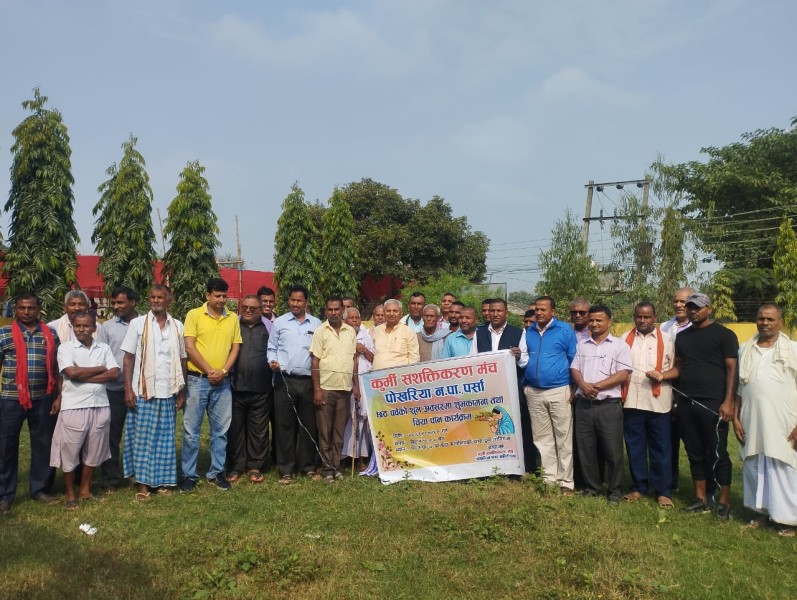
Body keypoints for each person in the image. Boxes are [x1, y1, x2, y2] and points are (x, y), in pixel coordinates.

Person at [649, 293, 738, 520]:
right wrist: (662, 375)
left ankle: (724, 501)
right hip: (687, 402)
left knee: (717, 452)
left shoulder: (725, 335)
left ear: (709, 308)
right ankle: (700, 498)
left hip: (714, 403)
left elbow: (732, 370)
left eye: (697, 307)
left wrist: (729, 402)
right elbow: (679, 368)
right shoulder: (683, 337)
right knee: (694, 452)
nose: (692, 311)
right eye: (690, 308)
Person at [735, 304, 797, 536]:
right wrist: (736, 419)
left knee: (783, 466)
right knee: (755, 465)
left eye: (770, 319)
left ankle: (787, 519)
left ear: (780, 322)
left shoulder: (793, 349)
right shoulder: (746, 349)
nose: (765, 323)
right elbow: (740, 388)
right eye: (761, 318)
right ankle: (762, 511)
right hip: (751, 419)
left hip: (784, 421)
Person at [121, 285, 187, 500]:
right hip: (143, 391)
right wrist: (128, 389)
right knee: (143, 439)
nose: (156, 301)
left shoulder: (177, 326)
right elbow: (128, 357)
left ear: (169, 300)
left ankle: (160, 482)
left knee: (165, 439)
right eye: (152, 297)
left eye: (160, 297)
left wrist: (181, 391)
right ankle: (142, 484)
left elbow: (183, 360)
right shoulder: (138, 324)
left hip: (168, 391)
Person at [51, 312, 119, 509]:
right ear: (73, 328)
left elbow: (114, 373)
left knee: (94, 450)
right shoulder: (66, 348)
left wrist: (84, 375)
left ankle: (85, 490)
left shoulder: (103, 348)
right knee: (70, 451)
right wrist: (100, 368)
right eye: (77, 326)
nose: (81, 329)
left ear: (94, 328)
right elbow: (71, 373)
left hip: (100, 405)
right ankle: (70, 494)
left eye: (86, 326)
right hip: (74, 405)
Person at [0, 292, 60, 515]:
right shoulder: (4, 334)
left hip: (44, 398)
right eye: (22, 308)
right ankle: (5, 496)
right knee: (5, 448)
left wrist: (58, 395)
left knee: (44, 445)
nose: (26, 312)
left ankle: (40, 490)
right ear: (15, 309)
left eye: (31, 308)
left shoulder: (50, 334)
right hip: (10, 400)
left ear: (38, 309)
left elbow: (56, 367)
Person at [181, 278, 242, 492]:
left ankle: (216, 472)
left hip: (223, 383)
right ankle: (189, 475)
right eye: (217, 296)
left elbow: (235, 347)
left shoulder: (232, 318)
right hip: (198, 380)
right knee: (191, 431)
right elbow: (189, 347)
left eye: (225, 296)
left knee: (221, 431)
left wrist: (223, 371)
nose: (222, 300)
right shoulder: (194, 315)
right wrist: (209, 371)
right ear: (207, 295)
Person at [570, 305, 631, 503]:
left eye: (599, 320)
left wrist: (595, 386)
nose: (594, 324)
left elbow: (623, 374)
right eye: (591, 320)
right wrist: (582, 385)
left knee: (612, 451)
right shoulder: (582, 345)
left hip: (608, 406)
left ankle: (615, 491)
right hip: (584, 406)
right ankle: (592, 487)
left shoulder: (619, 346)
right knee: (586, 449)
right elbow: (575, 368)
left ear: (609, 322)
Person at [621, 302, 675, 508]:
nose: (642, 321)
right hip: (631, 402)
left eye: (647, 317)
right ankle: (638, 487)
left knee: (660, 448)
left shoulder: (668, 340)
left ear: (655, 317)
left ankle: (663, 491)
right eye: (639, 317)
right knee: (635, 447)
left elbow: (677, 368)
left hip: (658, 403)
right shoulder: (624, 339)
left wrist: (662, 375)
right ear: (634, 317)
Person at [267, 285, 322, 484]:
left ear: (306, 302)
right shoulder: (280, 323)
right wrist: (272, 361)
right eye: (292, 300)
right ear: (288, 301)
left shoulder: (316, 324)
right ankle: (286, 469)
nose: (295, 304)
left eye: (299, 300)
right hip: (284, 380)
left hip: (308, 382)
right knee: (284, 425)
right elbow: (271, 347)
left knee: (308, 426)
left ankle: (307, 466)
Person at [523, 296, 578, 495]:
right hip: (534, 391)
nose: (539, 313)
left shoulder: (564, 330)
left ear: (553, 311)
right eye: (537, 309)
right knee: (542, 439)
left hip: (559, 389)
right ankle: (549, 479)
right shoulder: (528, 331)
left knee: (563, 437)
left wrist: (574, 387)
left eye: (543, 309)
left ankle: (566, 482)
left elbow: (574, 360)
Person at [478, 298, 537, 474]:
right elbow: (473, 359)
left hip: (512, 391)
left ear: (506, 313)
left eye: (499, 311)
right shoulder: (479, 334)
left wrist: (518, 356)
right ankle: (493, 468)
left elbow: (525, 361)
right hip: (489, 392)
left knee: (519, 430)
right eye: (492, 311)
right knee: (492, 431)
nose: (495, 314)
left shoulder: (519, 333)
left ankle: (526, 468)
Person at [310, 297, 359, 482]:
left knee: (339, 432)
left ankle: (336, 466)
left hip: (345, 388)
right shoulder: (320, 331)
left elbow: (354, 359)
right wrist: (317, 390)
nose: (333, 312)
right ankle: (327, 468)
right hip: (326, 388)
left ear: (342, 311)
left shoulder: (350, 332)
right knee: (325, 431)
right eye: (330, 309)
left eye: (337, 309)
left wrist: (356, 386)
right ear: (325, 311)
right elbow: (315, 362)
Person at [227, 295, 273, 484]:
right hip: (235, 387)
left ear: (260, 310)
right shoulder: (233, 326)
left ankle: (255, 466)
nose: (247, 311)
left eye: (252, 309)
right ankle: (237, 466)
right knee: (236, 429)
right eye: (244, 307)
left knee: (259, 430)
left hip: (261, 388)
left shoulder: (269, 328)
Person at [96, 286, 138, 492]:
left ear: (133, 302)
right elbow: (101, 355)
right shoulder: (107, 327)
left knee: (139, 435)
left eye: (120, 302)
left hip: (140, 389)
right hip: (113, 389)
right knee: (111, 436)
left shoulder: (145, 324)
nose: (116, 307)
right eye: (114, 303)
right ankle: (110, 479)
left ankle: (137, 474)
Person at [659, 287, 694, 493]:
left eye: (684, 301)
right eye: (676, 301)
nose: (679, 305)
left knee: (692, 442)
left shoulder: (698, 327)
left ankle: (704, 485)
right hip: (667, 386)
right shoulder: (665, 326)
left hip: (689, 389)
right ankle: (670, 482)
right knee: (668, 441)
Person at [342, 307, 374, 469]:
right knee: (348, 418)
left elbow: (373, 357)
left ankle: (361, 456)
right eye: (351, 318)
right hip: (345, 381)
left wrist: (363, 349)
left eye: (357, 317)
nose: (354, 320)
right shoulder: (342, 334)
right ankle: (345, 456)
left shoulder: (365, 334)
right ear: (345, 320)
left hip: (363, 381)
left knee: (362, 418)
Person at [371, 299, 420, 370]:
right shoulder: (376, 330)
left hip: (399, 377)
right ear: (384, 313)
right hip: (378, 377)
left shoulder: (408, 331)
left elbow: (414, 358)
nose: (391, 314)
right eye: (388, 311)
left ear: (401, 313)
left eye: (395, 311)